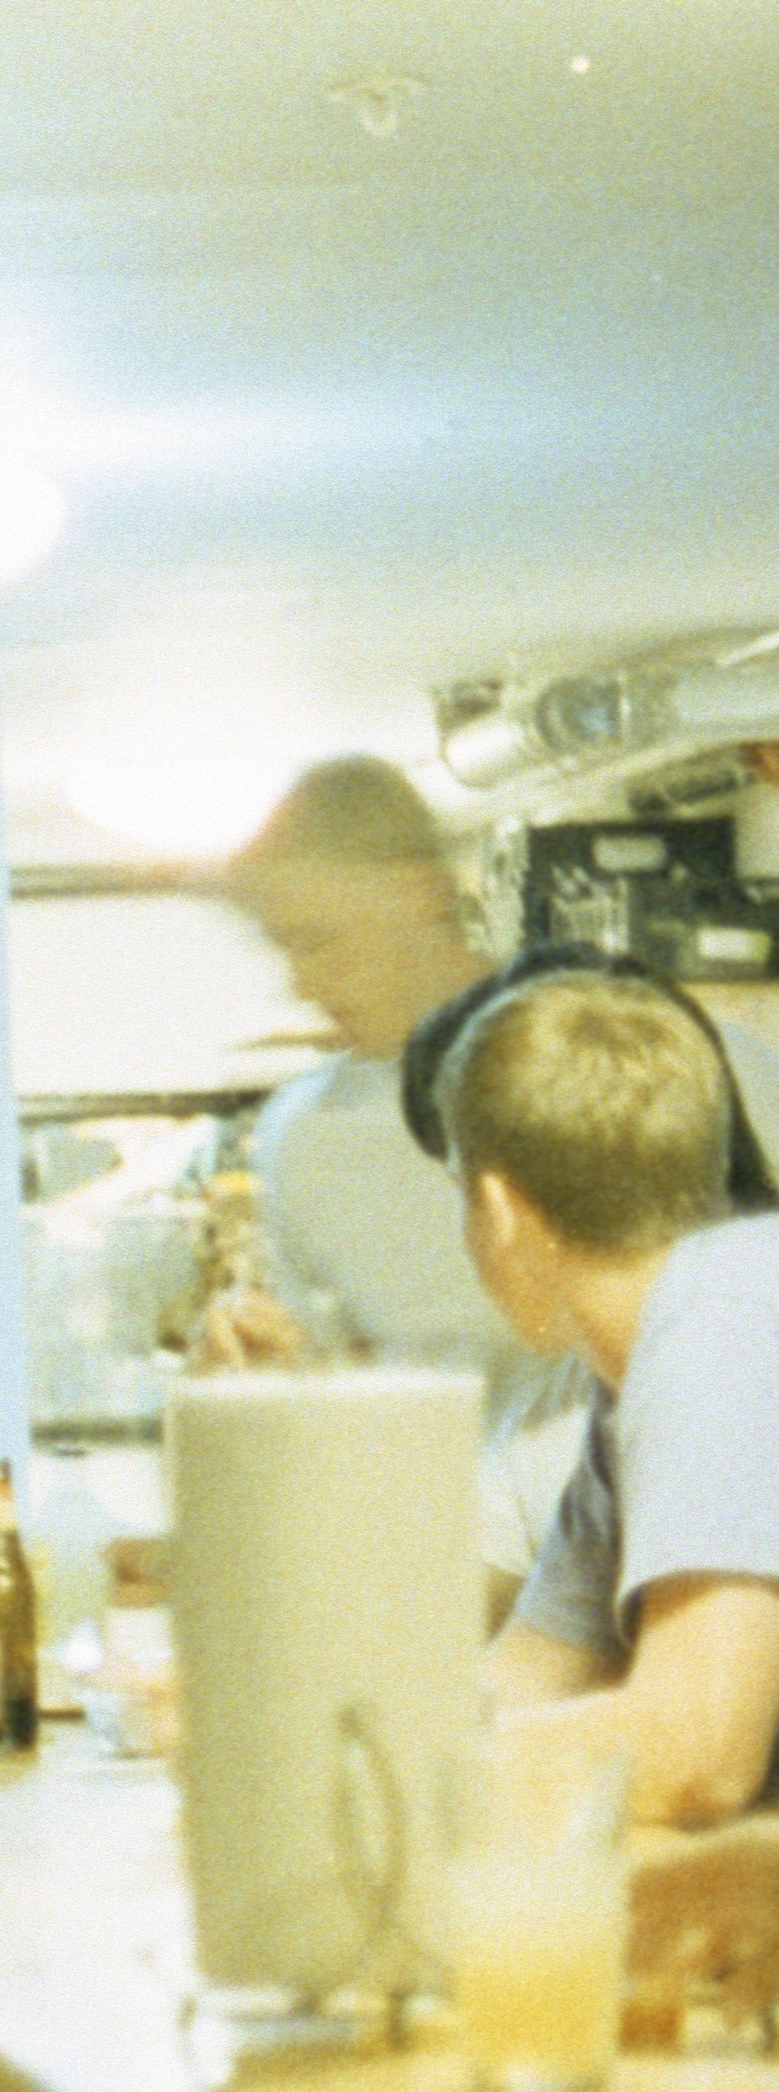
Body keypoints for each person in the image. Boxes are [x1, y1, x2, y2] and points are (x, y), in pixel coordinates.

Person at [207, 757, 577, 1612]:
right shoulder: (302, 1138)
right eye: (282, 947)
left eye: (317, 939)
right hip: (432, 1578)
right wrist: (274, 1370)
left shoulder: (629, 1060)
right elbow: (342, 1383)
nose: (298, 983)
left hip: (656, 1568)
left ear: (420, 893)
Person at [442, 969, 779, 1831]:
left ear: (497, 1208)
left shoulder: (723, 1314)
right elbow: (525, 1679)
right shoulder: (635, 1376)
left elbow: (700, 1751)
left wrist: (390, 1777)